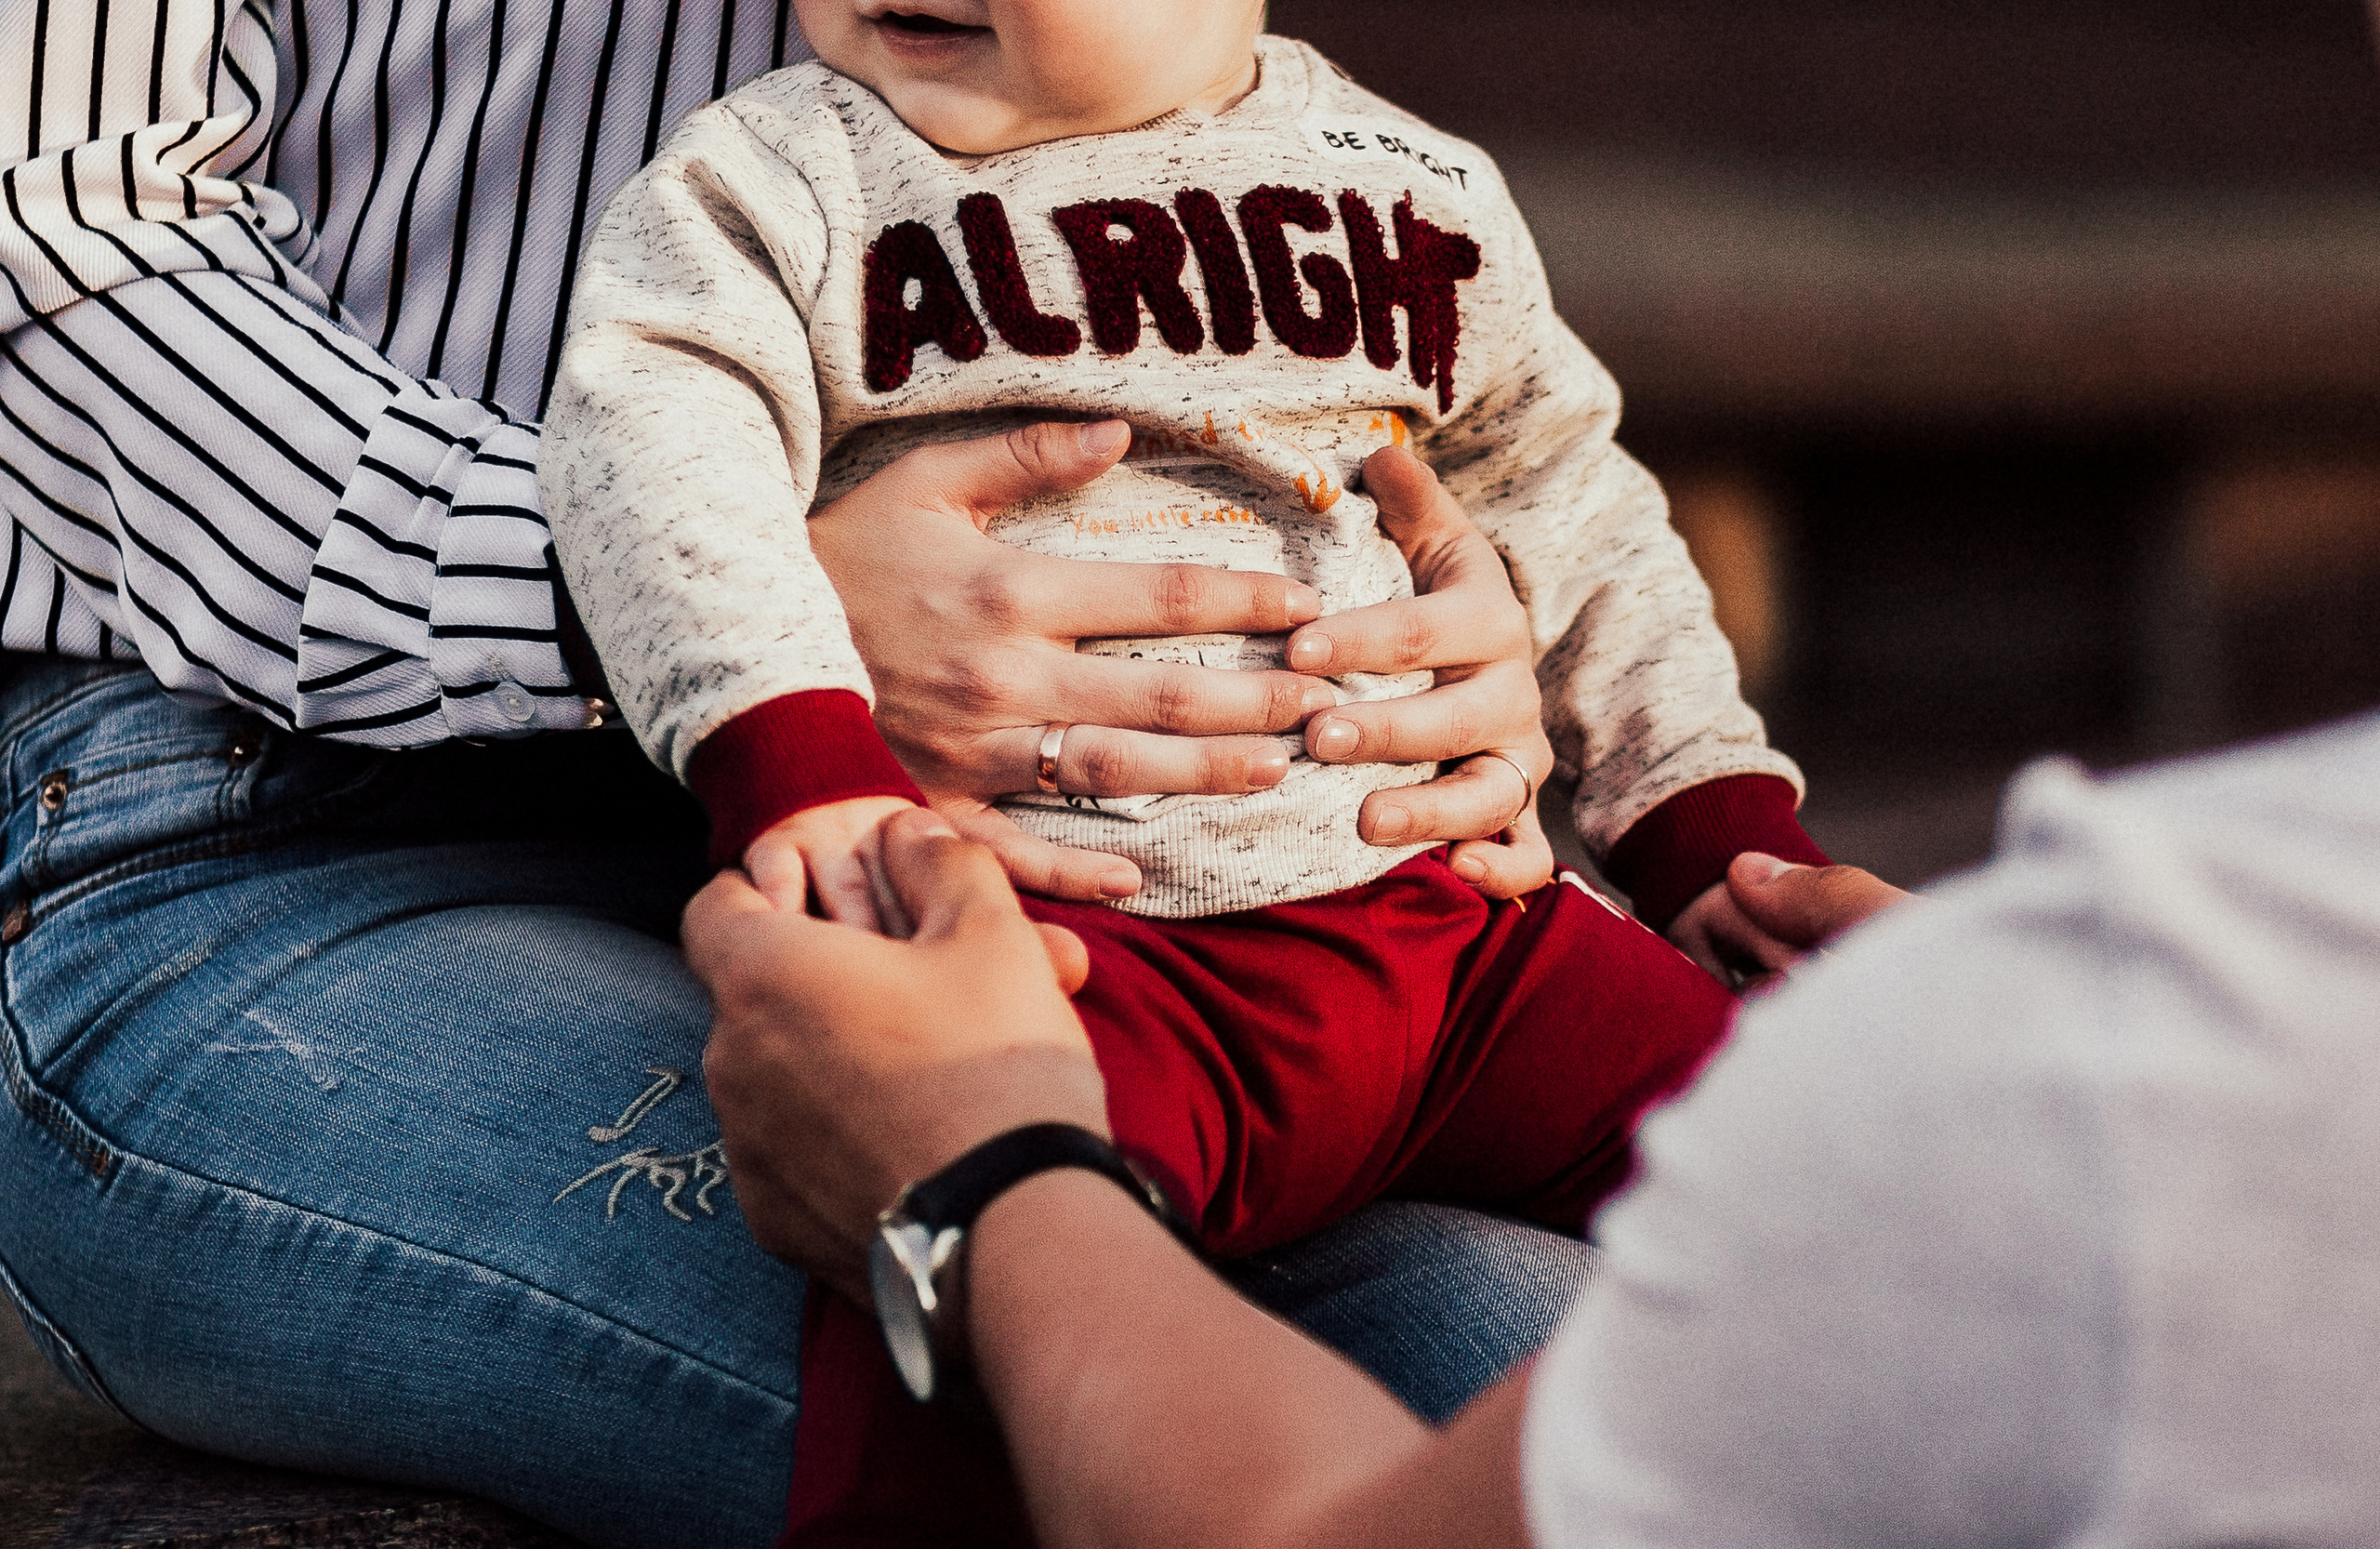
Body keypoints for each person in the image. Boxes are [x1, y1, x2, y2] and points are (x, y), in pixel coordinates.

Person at [0, 7, 1608, 1545]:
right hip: (263, 825)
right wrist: (721, 619)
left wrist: (1386, 624)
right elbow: (62, 235)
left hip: (1059, 875)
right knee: (1198, 1399)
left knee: (1605, 1360)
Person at [543, 4, 1830, 1531]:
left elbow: (1565, 502)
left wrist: (1711, 830)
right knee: (964, 1326)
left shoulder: (1407, 185)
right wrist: (795, 752)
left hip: (1459, 944)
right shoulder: (779, 182)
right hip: (1074, 961)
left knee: (1814, 1170)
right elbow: (649, 446)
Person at [694, 709, 2380, 1549]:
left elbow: (1562, 480)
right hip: (1129, 927)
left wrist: (986, 1176)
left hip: (1425, 948)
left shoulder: (2170, 1005)